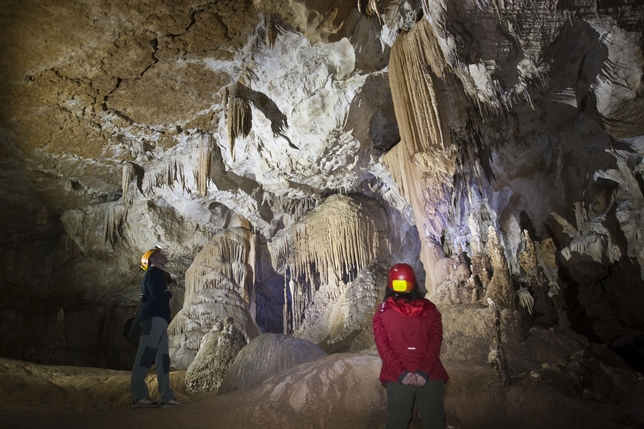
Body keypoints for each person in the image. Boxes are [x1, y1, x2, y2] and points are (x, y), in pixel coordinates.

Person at [372, 263, 449, 429]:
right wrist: (423, 371)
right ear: (413, 283)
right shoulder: (430, 309)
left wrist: (402, 374)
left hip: (398, 377)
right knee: (434, 422)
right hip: (431, 374)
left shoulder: (383, 312)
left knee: (397, 423)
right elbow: (434, 343)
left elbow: (384, 348)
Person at [131, 246, 182, 408]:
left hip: (159, 320)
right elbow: (156, 295)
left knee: (162, 359)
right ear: (152, 259)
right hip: (153, 318)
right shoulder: (153, 273)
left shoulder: (157, 274)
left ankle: (167, 396)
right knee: (146, 355)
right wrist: (168, 293)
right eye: (159, 253)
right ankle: (139, 396)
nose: (163, 254)